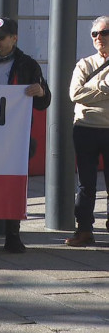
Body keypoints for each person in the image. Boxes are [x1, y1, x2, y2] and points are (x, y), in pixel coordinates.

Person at [0, 17, 51, 253]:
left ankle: (13, 234)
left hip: (15, 137)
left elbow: (44, 101)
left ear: (14, 38)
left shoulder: (28, 64)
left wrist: (40, 91)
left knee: (13, 184)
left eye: (1, 37)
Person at [66, 16, 109, 247]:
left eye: (104, 33)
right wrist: (104, 86)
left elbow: (84, 93)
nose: (98, 38)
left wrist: (90, 89)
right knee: (86, 184)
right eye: (94, 34)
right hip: (85, 129)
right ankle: (84, 230)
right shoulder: (84, 64)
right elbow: (75, 94)